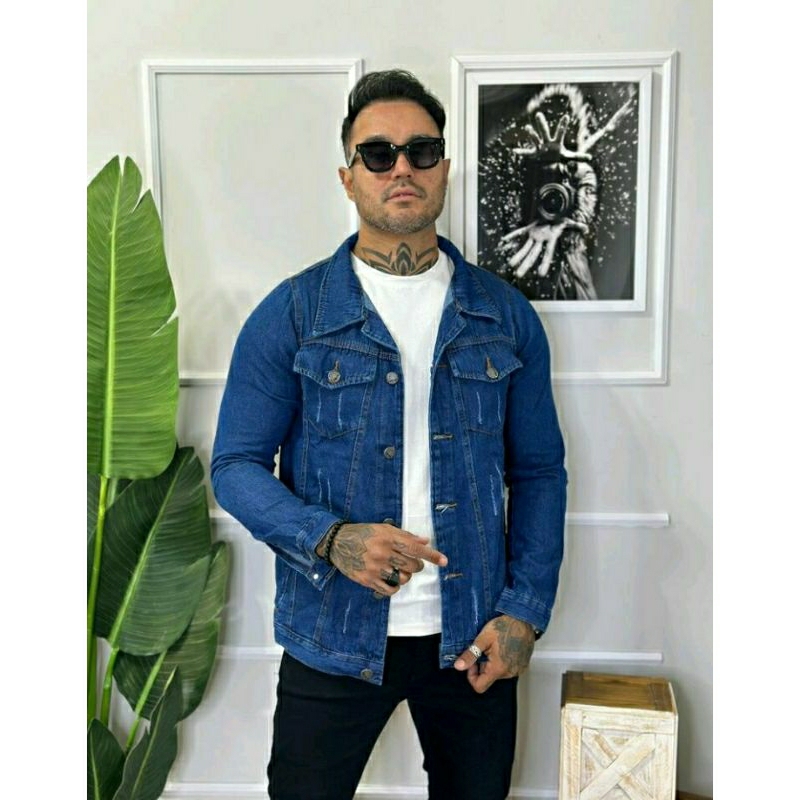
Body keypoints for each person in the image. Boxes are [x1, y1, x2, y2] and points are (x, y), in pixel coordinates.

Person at [211, 69, 567, 800]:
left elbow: (539, 472)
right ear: (348, 178)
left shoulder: (504, 315)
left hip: (473, 638)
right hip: (332, 632)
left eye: (420, 150)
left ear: (444, 169)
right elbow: (235, 465)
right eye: (378, 154)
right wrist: (331, 538)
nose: (401, 167)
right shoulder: (293, 313)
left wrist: (524, 613)